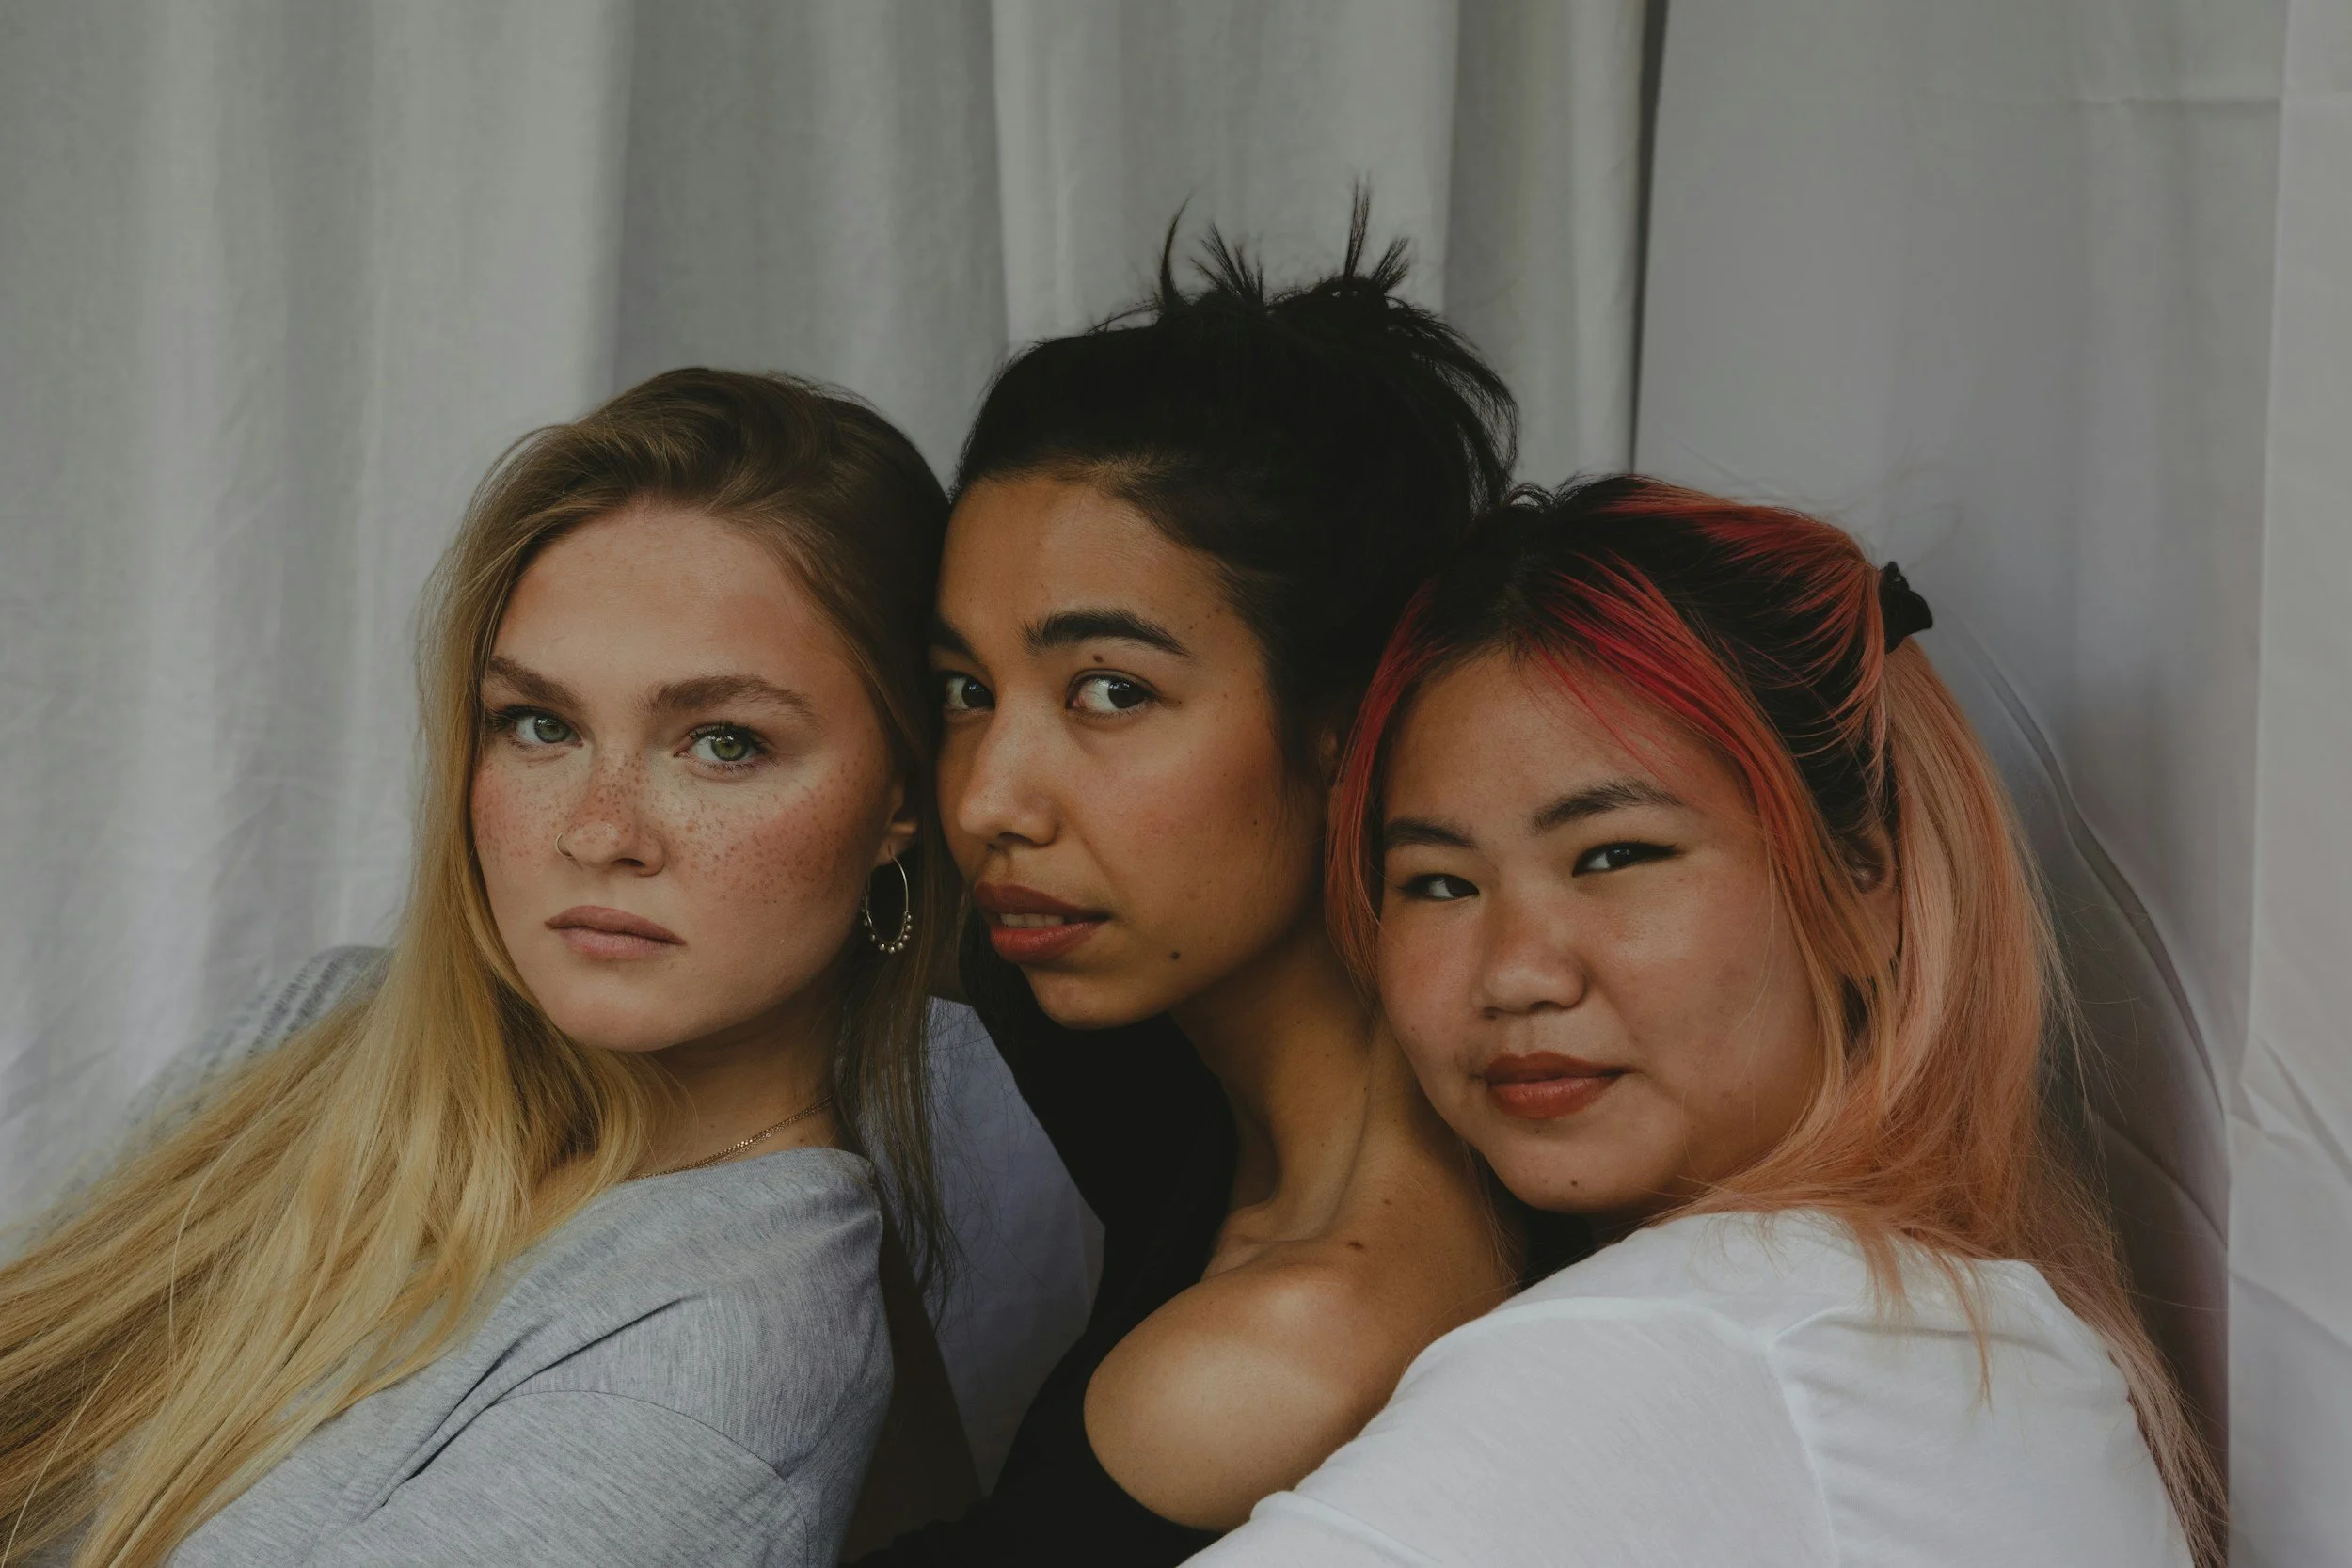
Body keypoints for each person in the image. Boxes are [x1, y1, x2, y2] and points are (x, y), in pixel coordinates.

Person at [0, 370, 973, 1568]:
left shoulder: (720, 1348)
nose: (599, 828)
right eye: (540, 723)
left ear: (900, 800)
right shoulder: (317, 1025)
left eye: (724, 741)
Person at [1190, 475, 2218, 1566]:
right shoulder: (1927, 1324)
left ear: (1861, 882)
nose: (1516, 973)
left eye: (1615, 856)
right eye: (1438, 882)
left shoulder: (1703, 1333)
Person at [855, 207, 1560, 1568]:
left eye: (1110, 690)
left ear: (1350, 731)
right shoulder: (1170, 1048)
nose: (990, 796)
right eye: (965, 690)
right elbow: (877, 924)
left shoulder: (1285, 1353)